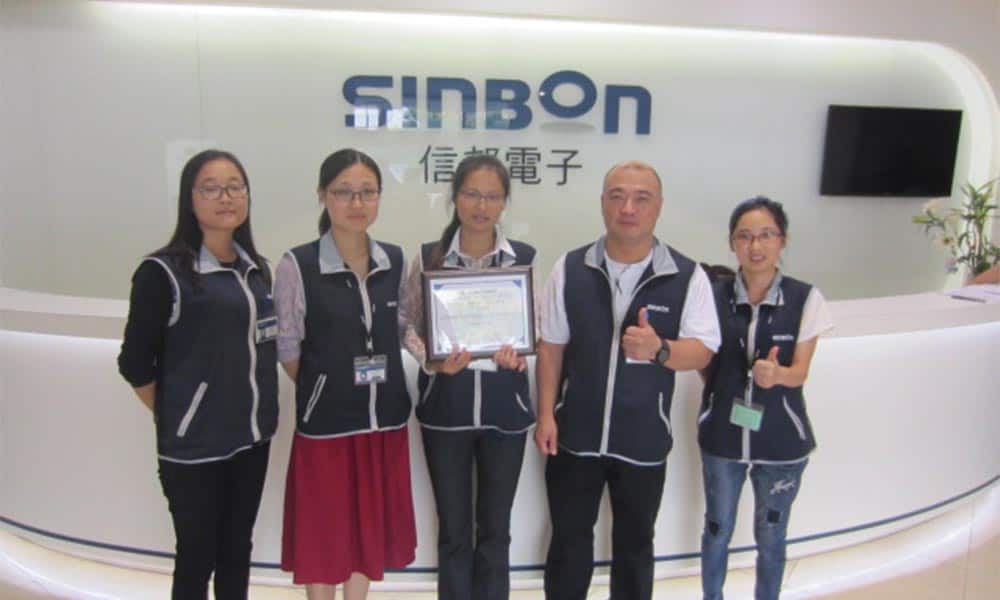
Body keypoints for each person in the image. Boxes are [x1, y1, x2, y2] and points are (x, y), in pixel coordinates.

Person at [534, 160, 721, 600]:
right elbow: (551, 346)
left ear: (659, 206)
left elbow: (703, 349)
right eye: (617, 196)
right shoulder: (571, 267)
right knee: (568, 542)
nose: (628, 208)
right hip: (575, 436)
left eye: (641, 198)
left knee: (635, 547)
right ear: (602, 203)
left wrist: (660, 349)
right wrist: (546, 414)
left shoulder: (686, 275)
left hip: (644, 438)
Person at [117, 149, 278, 600]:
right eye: (211, 188)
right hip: (194, 451)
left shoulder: (256, 269)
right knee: (196, 555)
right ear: (189, 199)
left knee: (237, 550)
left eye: (235, 187)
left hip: (252, 439)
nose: (226, 197)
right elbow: (134, 363)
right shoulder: (163, 273)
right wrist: (184, 415)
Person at [276, 149, 416, 600]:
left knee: (367, 528)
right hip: (327, 426)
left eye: (367, 192)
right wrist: (324, 386)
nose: (357, 203)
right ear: (322, 195)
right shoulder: (298, 265)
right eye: (344, 192)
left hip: (383, 421)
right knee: (324, 530)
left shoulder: (394, 260)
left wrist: (437, 358)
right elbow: (288, 346)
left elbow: (404, 328)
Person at [401, 154, 535, 600]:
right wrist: (432, 360)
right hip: (446, 411)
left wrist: (519, 356)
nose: (482, 206)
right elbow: (406, 324)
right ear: (455, 197)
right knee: (454, 531)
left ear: (505, 201)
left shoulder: (524, 259)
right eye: (472, 194)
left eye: (492, 196)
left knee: (496, 530)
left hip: (506, 413)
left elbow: (534, 329)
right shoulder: (428, 258)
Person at [697, 196, 834, 600]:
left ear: (782, 240)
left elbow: (800, 372)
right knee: (716, 528)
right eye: (744, 236)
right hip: (722, 437)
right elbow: (705, 362)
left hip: (781, 440)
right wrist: (723, 389)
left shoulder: (805, 298)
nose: (755, 246)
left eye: (766, 235)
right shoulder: (711, 296)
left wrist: (776, 376)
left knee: (771, 536)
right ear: (732, 243)